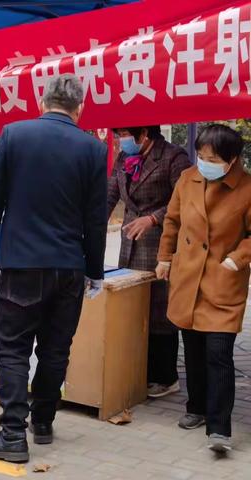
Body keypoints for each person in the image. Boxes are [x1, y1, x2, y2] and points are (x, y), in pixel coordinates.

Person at [0, 74, 108, 463]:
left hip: (23, 264)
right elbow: (96, 219)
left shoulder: (14, 135)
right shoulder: (93, 149)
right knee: (55, 349)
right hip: (69, 266)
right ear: (79, 109)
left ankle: (13, 433)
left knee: (12, 347)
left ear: (41, 102)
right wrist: (94, 271)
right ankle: (42, 422)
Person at [156, 124, 251, 453]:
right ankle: (195, 408)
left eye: (212, 158)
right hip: (188, 278)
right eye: (202, 155)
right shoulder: (188, 179)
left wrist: (237, 259)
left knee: (219, 354)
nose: (204, 162)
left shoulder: (247, 187)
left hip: (222, 281)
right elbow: (172, 220)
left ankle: (220, 427)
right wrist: (165, 259)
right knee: (193, 349)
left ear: (232, 158)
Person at [108, 125, 191, 398]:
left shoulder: (173, 157)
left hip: (161, 242)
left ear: (143, 133)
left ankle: (166, 376)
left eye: (123, 134)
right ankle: (140, 370)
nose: (120, 140)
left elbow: (185, 199)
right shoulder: (124, 159)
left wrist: (154, 218)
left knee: (159, 310)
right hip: (131, 242)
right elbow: (110, 195)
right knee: (134, 306)